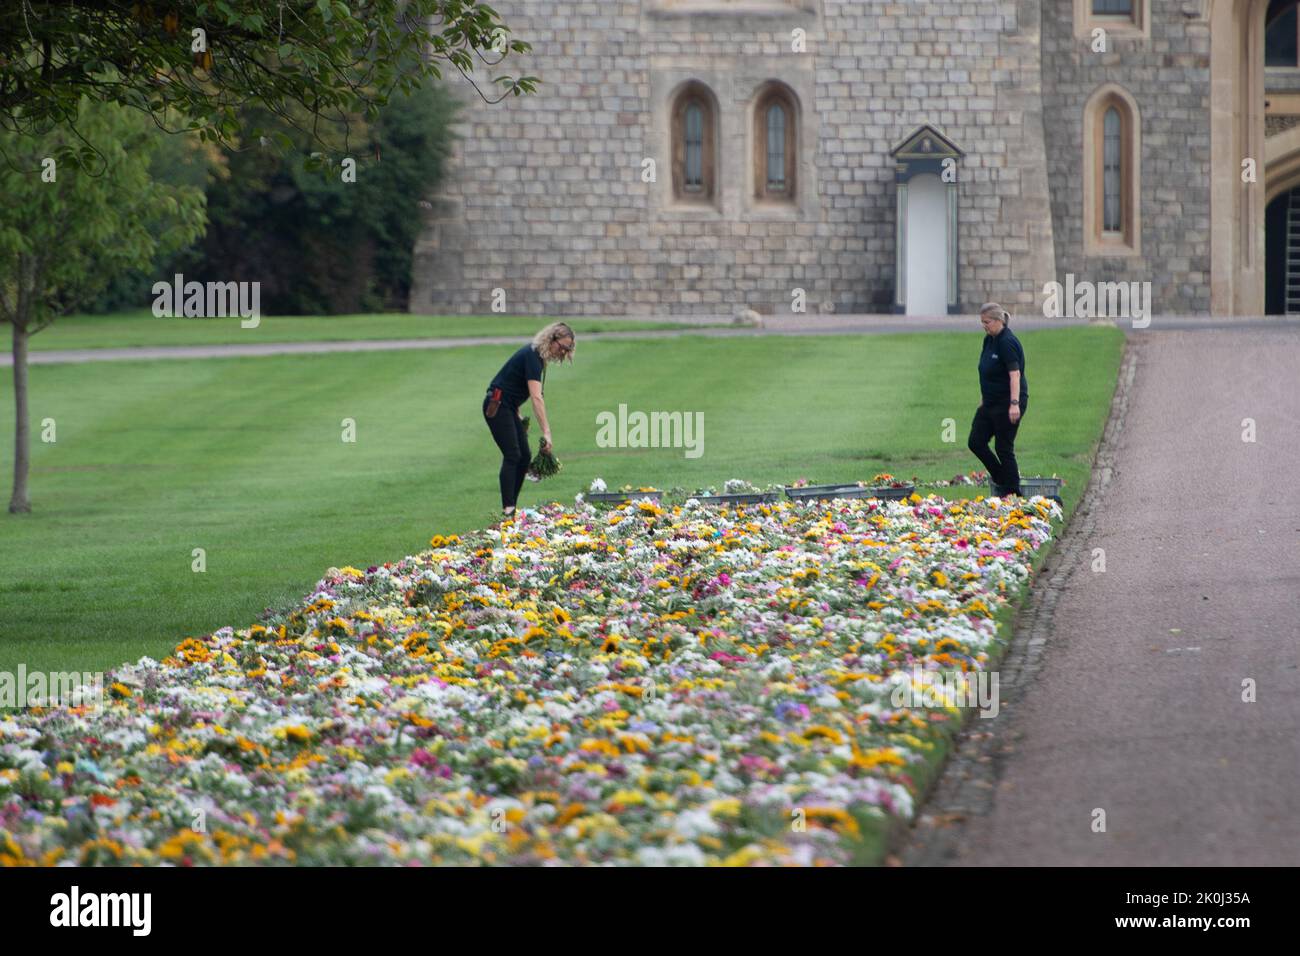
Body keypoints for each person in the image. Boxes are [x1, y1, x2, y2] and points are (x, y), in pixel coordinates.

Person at [483, 321, 575, 516]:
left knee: (524, 456)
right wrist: (546, 433)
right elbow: (536, 397)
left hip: (508, 407)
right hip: (497, 406)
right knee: (513, 455)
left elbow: (510, 382)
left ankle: (511, 509)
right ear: (552, 340)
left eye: (567, 350)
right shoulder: (532, 357)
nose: (563, 353)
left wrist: (517, 415)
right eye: (563, 348)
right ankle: (508, 511)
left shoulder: (537, 357)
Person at [967, 303, 1028, 497]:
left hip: (1008, 403)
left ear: (998, 320)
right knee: (976, 441)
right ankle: (1004, 480)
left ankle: (1012, 493)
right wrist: (983, 398)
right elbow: (986, 371)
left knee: (1003, 447)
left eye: (987, 322)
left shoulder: (1006, 342)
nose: (984, 326)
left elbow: (1015, 374)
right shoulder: (989, 340)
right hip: (990, 403)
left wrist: (1014, 404)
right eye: (982, 322)